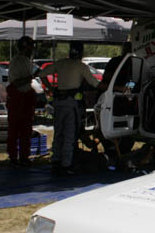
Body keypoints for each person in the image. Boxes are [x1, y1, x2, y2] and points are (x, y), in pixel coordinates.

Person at [40, 42, 100, 175]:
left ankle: (56, 161)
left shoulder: (61, 63)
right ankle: (66, 164)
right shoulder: (81, 66)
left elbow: (42, 74)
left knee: (58, 133)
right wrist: (110, 86)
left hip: (58, 103)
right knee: (69, 135)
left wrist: (51, 89)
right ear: (81, 53)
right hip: (71, 103)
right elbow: (95, 83)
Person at [6, 35, 37, 167]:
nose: (32, 49)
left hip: (25, 99)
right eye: (31, 47)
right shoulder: (16, 62)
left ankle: (24, 156)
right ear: (25, 47)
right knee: (14, 129)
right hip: (17, 99)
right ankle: (13, 156)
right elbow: (16, 82)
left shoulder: (27, 61)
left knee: (26, 130)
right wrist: (31, 77)